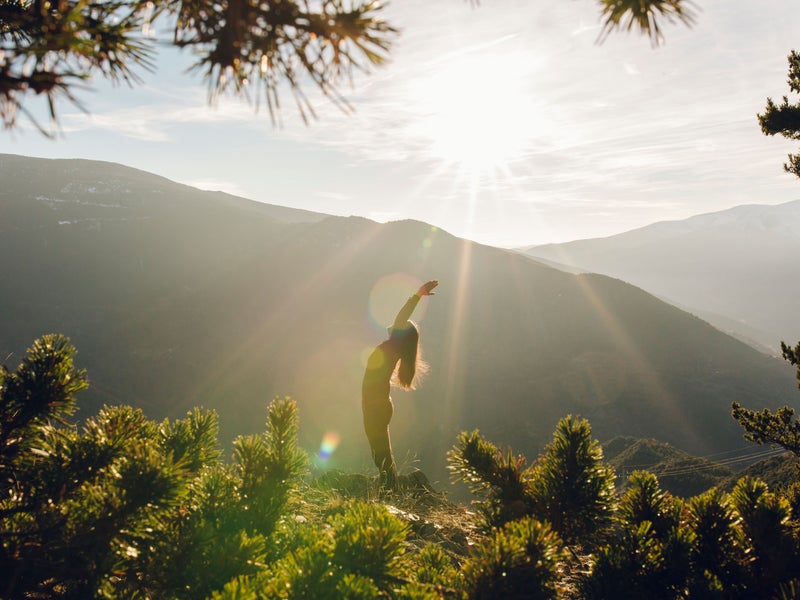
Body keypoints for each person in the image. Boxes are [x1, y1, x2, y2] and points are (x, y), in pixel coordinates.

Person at [362, 279, 438, 489]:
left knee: (380, 451)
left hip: (376, 405)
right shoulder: (395, 347)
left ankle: (390, 488)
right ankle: (390, 486)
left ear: (401, 333)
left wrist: (417, 296)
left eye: (400, 325)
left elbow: (402, 315)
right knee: (380, 450)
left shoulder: (394, 343)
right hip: (379, 404)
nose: (395, 324)